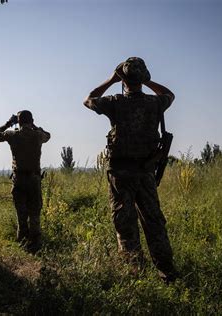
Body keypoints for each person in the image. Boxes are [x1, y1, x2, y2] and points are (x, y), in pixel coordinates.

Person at [83, 57, 177, 282]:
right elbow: (171, 95)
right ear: (143, 79)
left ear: (123, 79)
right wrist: (149, 81)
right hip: (145, 173)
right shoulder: (156, 103)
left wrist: (112, 79)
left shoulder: (115, 102)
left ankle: (135, 274)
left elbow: (89, 99)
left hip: (121, 174)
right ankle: (167, 272)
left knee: (125, 225)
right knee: (154, 223)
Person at [0, 110, 51, 253]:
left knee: (21, 214)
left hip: (19, 179)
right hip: (34, 179)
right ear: (31, 120)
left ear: (18, 121)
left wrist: (8, 123)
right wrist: (34, 125)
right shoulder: (38, 135)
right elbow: (48, 136)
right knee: (35, 214)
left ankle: (23, 245)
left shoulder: (13, 135)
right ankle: (35, 246)